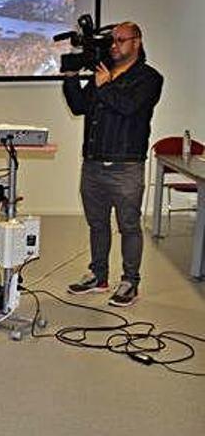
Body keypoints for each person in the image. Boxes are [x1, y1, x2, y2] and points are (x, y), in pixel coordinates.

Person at [62, 21, 163, 307]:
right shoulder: (101, 73)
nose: (114, 45)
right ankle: (98, 276)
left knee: (129, 225)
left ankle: (130, 281)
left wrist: (104, 86)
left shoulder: (149, 78)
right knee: (97, 224)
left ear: (137, 42)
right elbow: (79, 106)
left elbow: (129, 107)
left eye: (121, 40)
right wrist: (71, 77)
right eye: (112, 41)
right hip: (93, 163)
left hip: (126, 165)